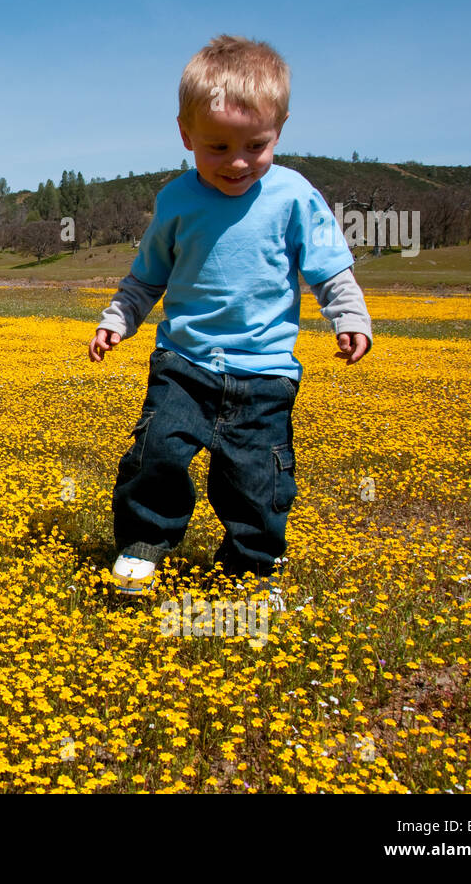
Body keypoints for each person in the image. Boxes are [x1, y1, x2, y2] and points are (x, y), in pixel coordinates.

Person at [88, 35, 372, 601]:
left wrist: (350, 315)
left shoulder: (294, 196)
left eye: (255, 145)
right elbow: (147, 277)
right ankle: (143, 543)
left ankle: (252, 567)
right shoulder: (175, 201)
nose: (237, 162)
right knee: (156, 454)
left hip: (265, 374)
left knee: (256, 480)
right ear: (185, 134)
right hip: (183, 363)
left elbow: (330, 269)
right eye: (217, 147)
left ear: (280, 130)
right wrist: (117, 319)